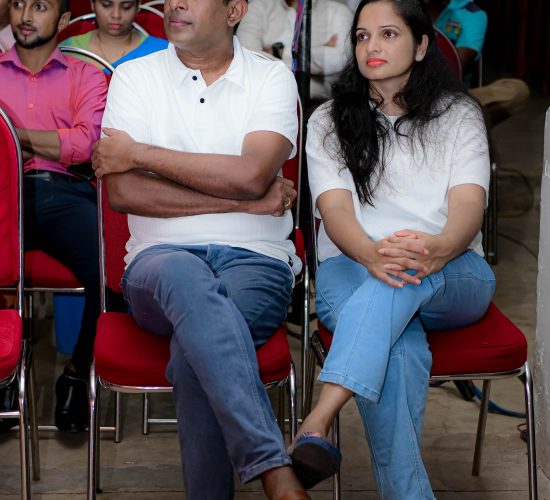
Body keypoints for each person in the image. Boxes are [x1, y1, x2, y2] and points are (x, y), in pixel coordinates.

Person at [90, 0, 315, 497]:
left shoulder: (271, 77)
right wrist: (243, 201)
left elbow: (252, 174)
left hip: (256, 260)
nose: (175, 3)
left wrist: (140, 154)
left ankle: (266, 471)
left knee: (196, 353)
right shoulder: (134, 77)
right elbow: (124, 192)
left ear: (234, 11)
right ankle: (272, 467)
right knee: (185, 276)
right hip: (157, 264)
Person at [291, 0, 496, 497]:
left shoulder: (458, 115)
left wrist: (439, 248)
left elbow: (469, 203)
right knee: (398, 345)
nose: (372, 46)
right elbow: (335, 211)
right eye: (362, 36)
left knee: (401, 278)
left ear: (421, 45)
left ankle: (317, 418)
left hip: (454, 269)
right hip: (352, 263)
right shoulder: (329, 121)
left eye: (388, 34)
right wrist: (371, 254)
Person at [0, 0, 107, 432]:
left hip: (66, 191)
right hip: (4, 192)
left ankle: (78, 374)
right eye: (19, 4)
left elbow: (85, 144)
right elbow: (68, 140)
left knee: (111, 271)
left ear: (63, 20)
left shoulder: (86, 75)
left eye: (40, 6)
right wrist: (48, 140)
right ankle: (4, 372)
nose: (26, 15)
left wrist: (11, 135)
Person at [426, 0, 529, 125]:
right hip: (409, 94)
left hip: (451, 96)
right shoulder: (407, 8)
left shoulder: (472, 14)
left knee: (518, 90)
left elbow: (456, 66)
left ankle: (460, 125)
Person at [236, 0, 353, 100]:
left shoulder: (338, 12)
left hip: (318, 104)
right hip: (263, 97)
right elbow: (247, 57)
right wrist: (318, 53)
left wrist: (278, 51)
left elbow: (340, 60)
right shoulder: (257, 8)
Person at [59, 0, 168, 72]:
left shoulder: (162, 52)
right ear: (92, 4)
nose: (116, 15)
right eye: (106, 5)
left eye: (126, 7)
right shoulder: (69, 49)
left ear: (138, 6)